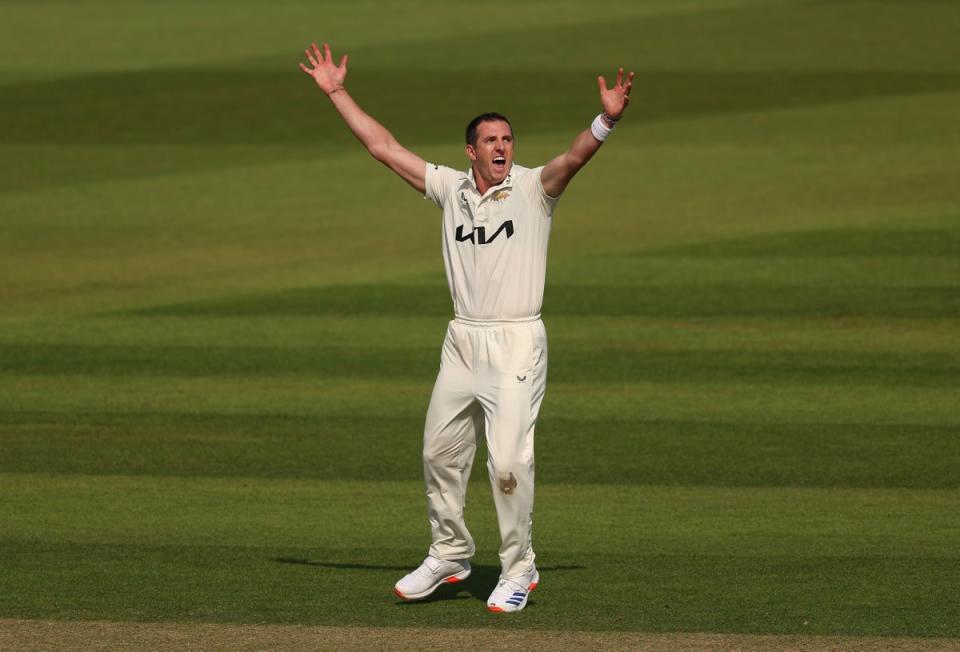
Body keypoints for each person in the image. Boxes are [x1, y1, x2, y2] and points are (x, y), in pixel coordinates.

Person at [300, 42, 633, 613]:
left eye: (508, 139)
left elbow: (572, 160)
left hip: (516, 340)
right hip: (462, 339)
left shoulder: (533, 190)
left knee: (507, 463)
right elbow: (384, 148)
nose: (502, 147)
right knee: (439, 453)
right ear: (471, 151)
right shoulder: (449, 189)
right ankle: (450, 554)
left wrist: (605, 120)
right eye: (491, 141)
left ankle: (520, 569)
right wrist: (336, 92)